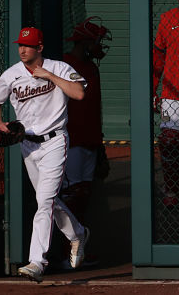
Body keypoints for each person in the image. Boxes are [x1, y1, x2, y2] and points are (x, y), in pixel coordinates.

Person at [0, 27, 89, 283]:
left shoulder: (59, 67)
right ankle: (78, 234)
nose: (22, 49)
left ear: (40, 48)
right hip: (28, 145)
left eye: (28, 45)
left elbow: (78, 93)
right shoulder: (12, 74)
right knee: (49, 201)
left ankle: (36, 262)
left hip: (55, 141)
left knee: (44, 200)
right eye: (20, 44)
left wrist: (50, 76)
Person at [55, 16, 111, 267]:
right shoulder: (64, 64)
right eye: (96, 40)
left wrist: (100, 148)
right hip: (72, 140)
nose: (99, 45)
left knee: (84, 195)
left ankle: (79, 253)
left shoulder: (92, 68)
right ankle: (66, 253)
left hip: (90, 140)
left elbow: (96, 108)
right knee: (71, 195)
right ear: (84, 41)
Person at [153, 0, 179, 207]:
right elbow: (158, 57)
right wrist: (152, 90)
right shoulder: (167, 18)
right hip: (172, 96)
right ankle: (173, 190)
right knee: (168, 142)